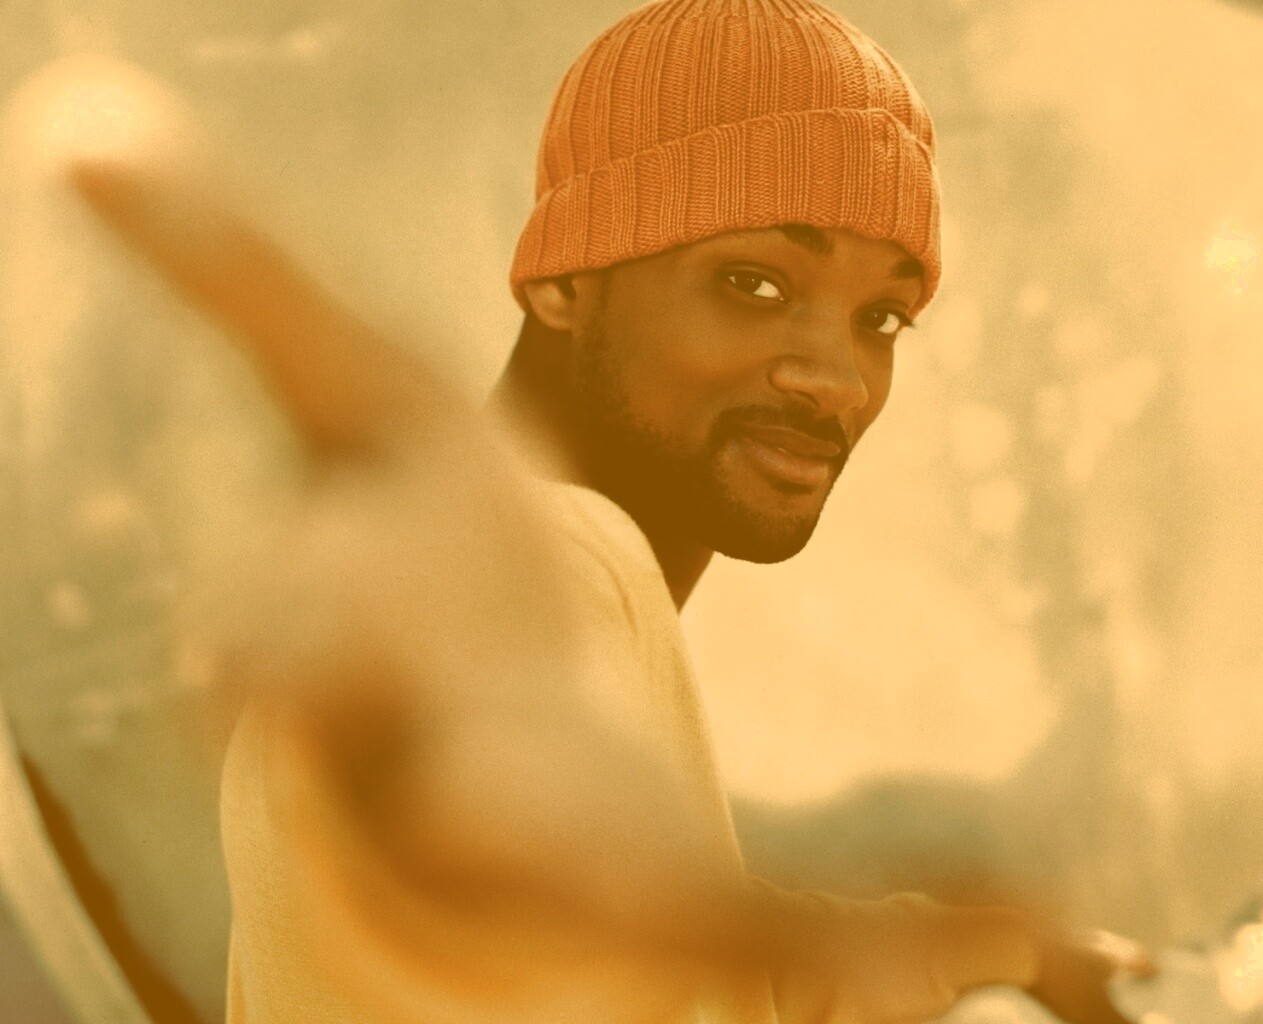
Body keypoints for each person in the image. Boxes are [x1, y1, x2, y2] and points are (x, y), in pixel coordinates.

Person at [24, 0, 1151, 1021]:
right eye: (754, 283)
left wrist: (981, 949)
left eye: (882, 318)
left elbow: (695, 978)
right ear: (564, 279)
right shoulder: (565, 569)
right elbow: (550, 843)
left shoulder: (572, 608)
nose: (838, 379)